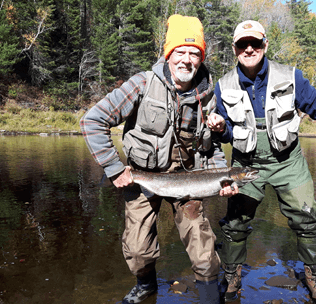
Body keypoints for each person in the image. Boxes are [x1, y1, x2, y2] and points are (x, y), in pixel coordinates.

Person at [80, 14, 238, 304]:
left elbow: (212, 146)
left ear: (202, 58)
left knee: (204, 251)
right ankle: (146, 285)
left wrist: (220, 179)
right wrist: (115, 169)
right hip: (143, 177)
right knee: (138, 250)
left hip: (188, 179)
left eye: (195, 53)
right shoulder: (142, 84)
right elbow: (93, 121)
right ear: (168, 54)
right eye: (181, 51)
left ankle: (208, 296)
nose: (187, 60)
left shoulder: (207, 95)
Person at [206, 20, 316, 304]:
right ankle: (231, 273)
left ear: (265, 45)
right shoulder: (223, 85)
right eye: (243, 44)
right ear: (235, 49)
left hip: (288, 161)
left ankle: (315, 275)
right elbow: (225, 134)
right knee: (235, 223)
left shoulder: (290, 77)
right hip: (246, 163)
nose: (249, 48)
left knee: (307, 219)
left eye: (255, 42)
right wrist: (219, 128)